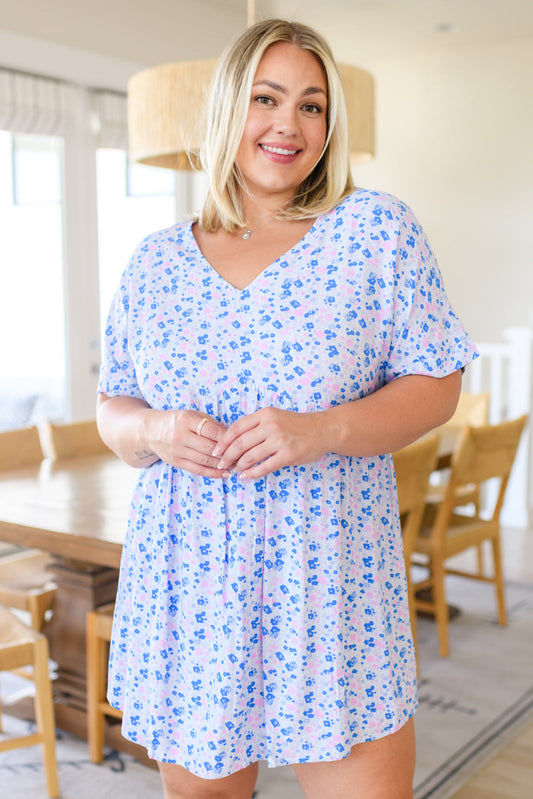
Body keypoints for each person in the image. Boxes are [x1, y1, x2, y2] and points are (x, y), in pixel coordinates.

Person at [97, 18, 477, 799]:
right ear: (225, 112)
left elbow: (437, 382)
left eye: (312, 105)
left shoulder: (374, 231)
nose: (288, 124)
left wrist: (325, 429)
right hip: (190, 587)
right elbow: (113, 406)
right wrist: (155, 431)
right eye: (266, 98)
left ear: (329, 126)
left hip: (331, 583)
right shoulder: (154, 262)